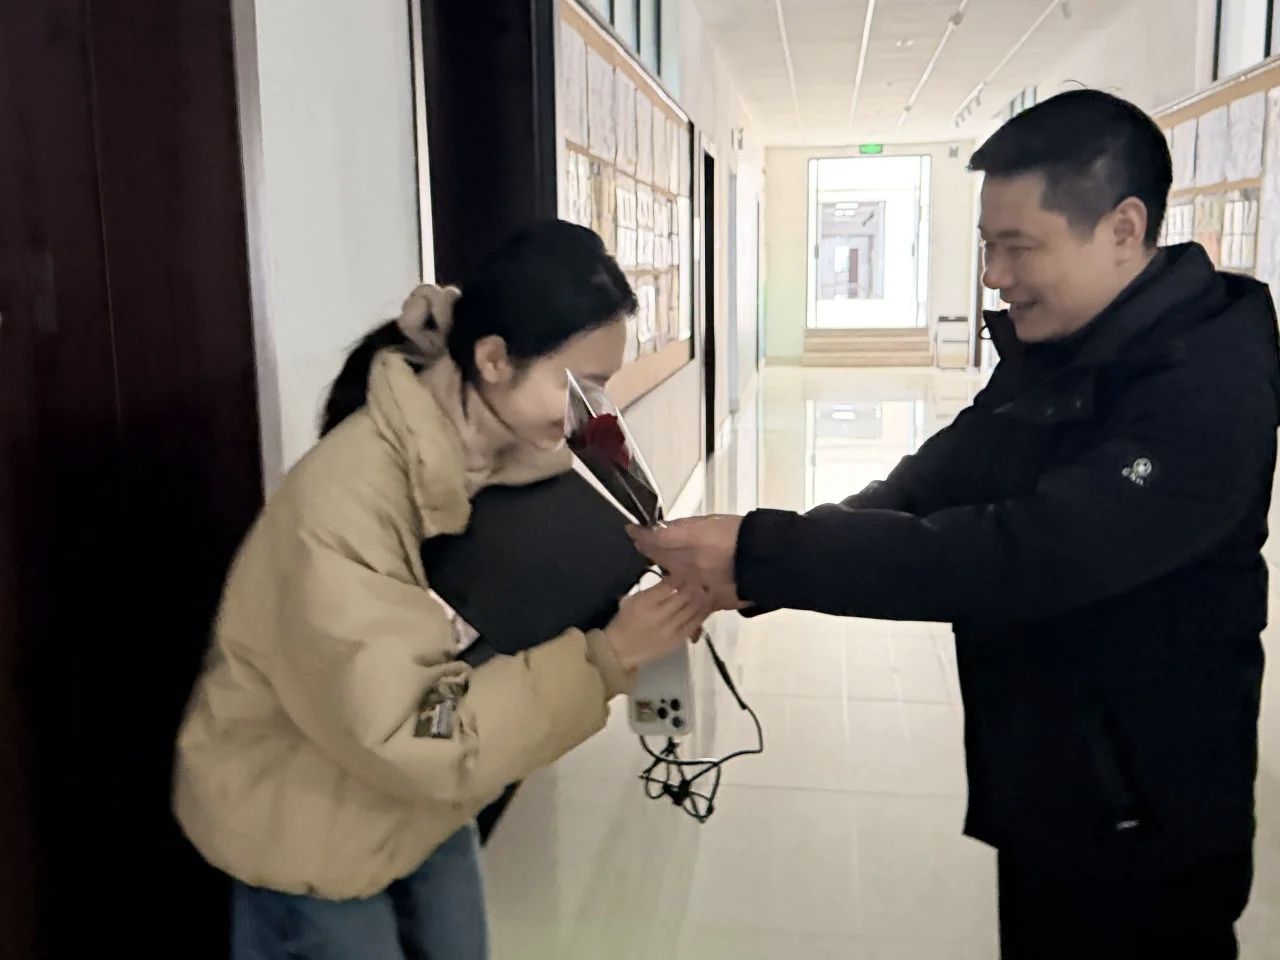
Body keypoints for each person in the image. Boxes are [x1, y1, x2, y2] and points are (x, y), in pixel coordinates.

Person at [630, 91, 1279, 959]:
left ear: (1124, 229)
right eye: (986, 245)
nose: (993, 275)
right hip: (1055, 777)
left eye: (1019, 247)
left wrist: (764, 554)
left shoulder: (1207, 381)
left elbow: (1024, 553)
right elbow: (937, 480)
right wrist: (756, 568)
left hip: (1148, 809)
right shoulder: (1067, 342)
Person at [174, 221, 709, 960]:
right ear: (492, 359)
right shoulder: (342, 507)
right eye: (577, 386)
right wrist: (608, 658)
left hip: (422, 807)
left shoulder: (500, 448)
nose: (593, 413)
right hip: (311, 831)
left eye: (602, 388)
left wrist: (640, 577)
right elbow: (410, 731)